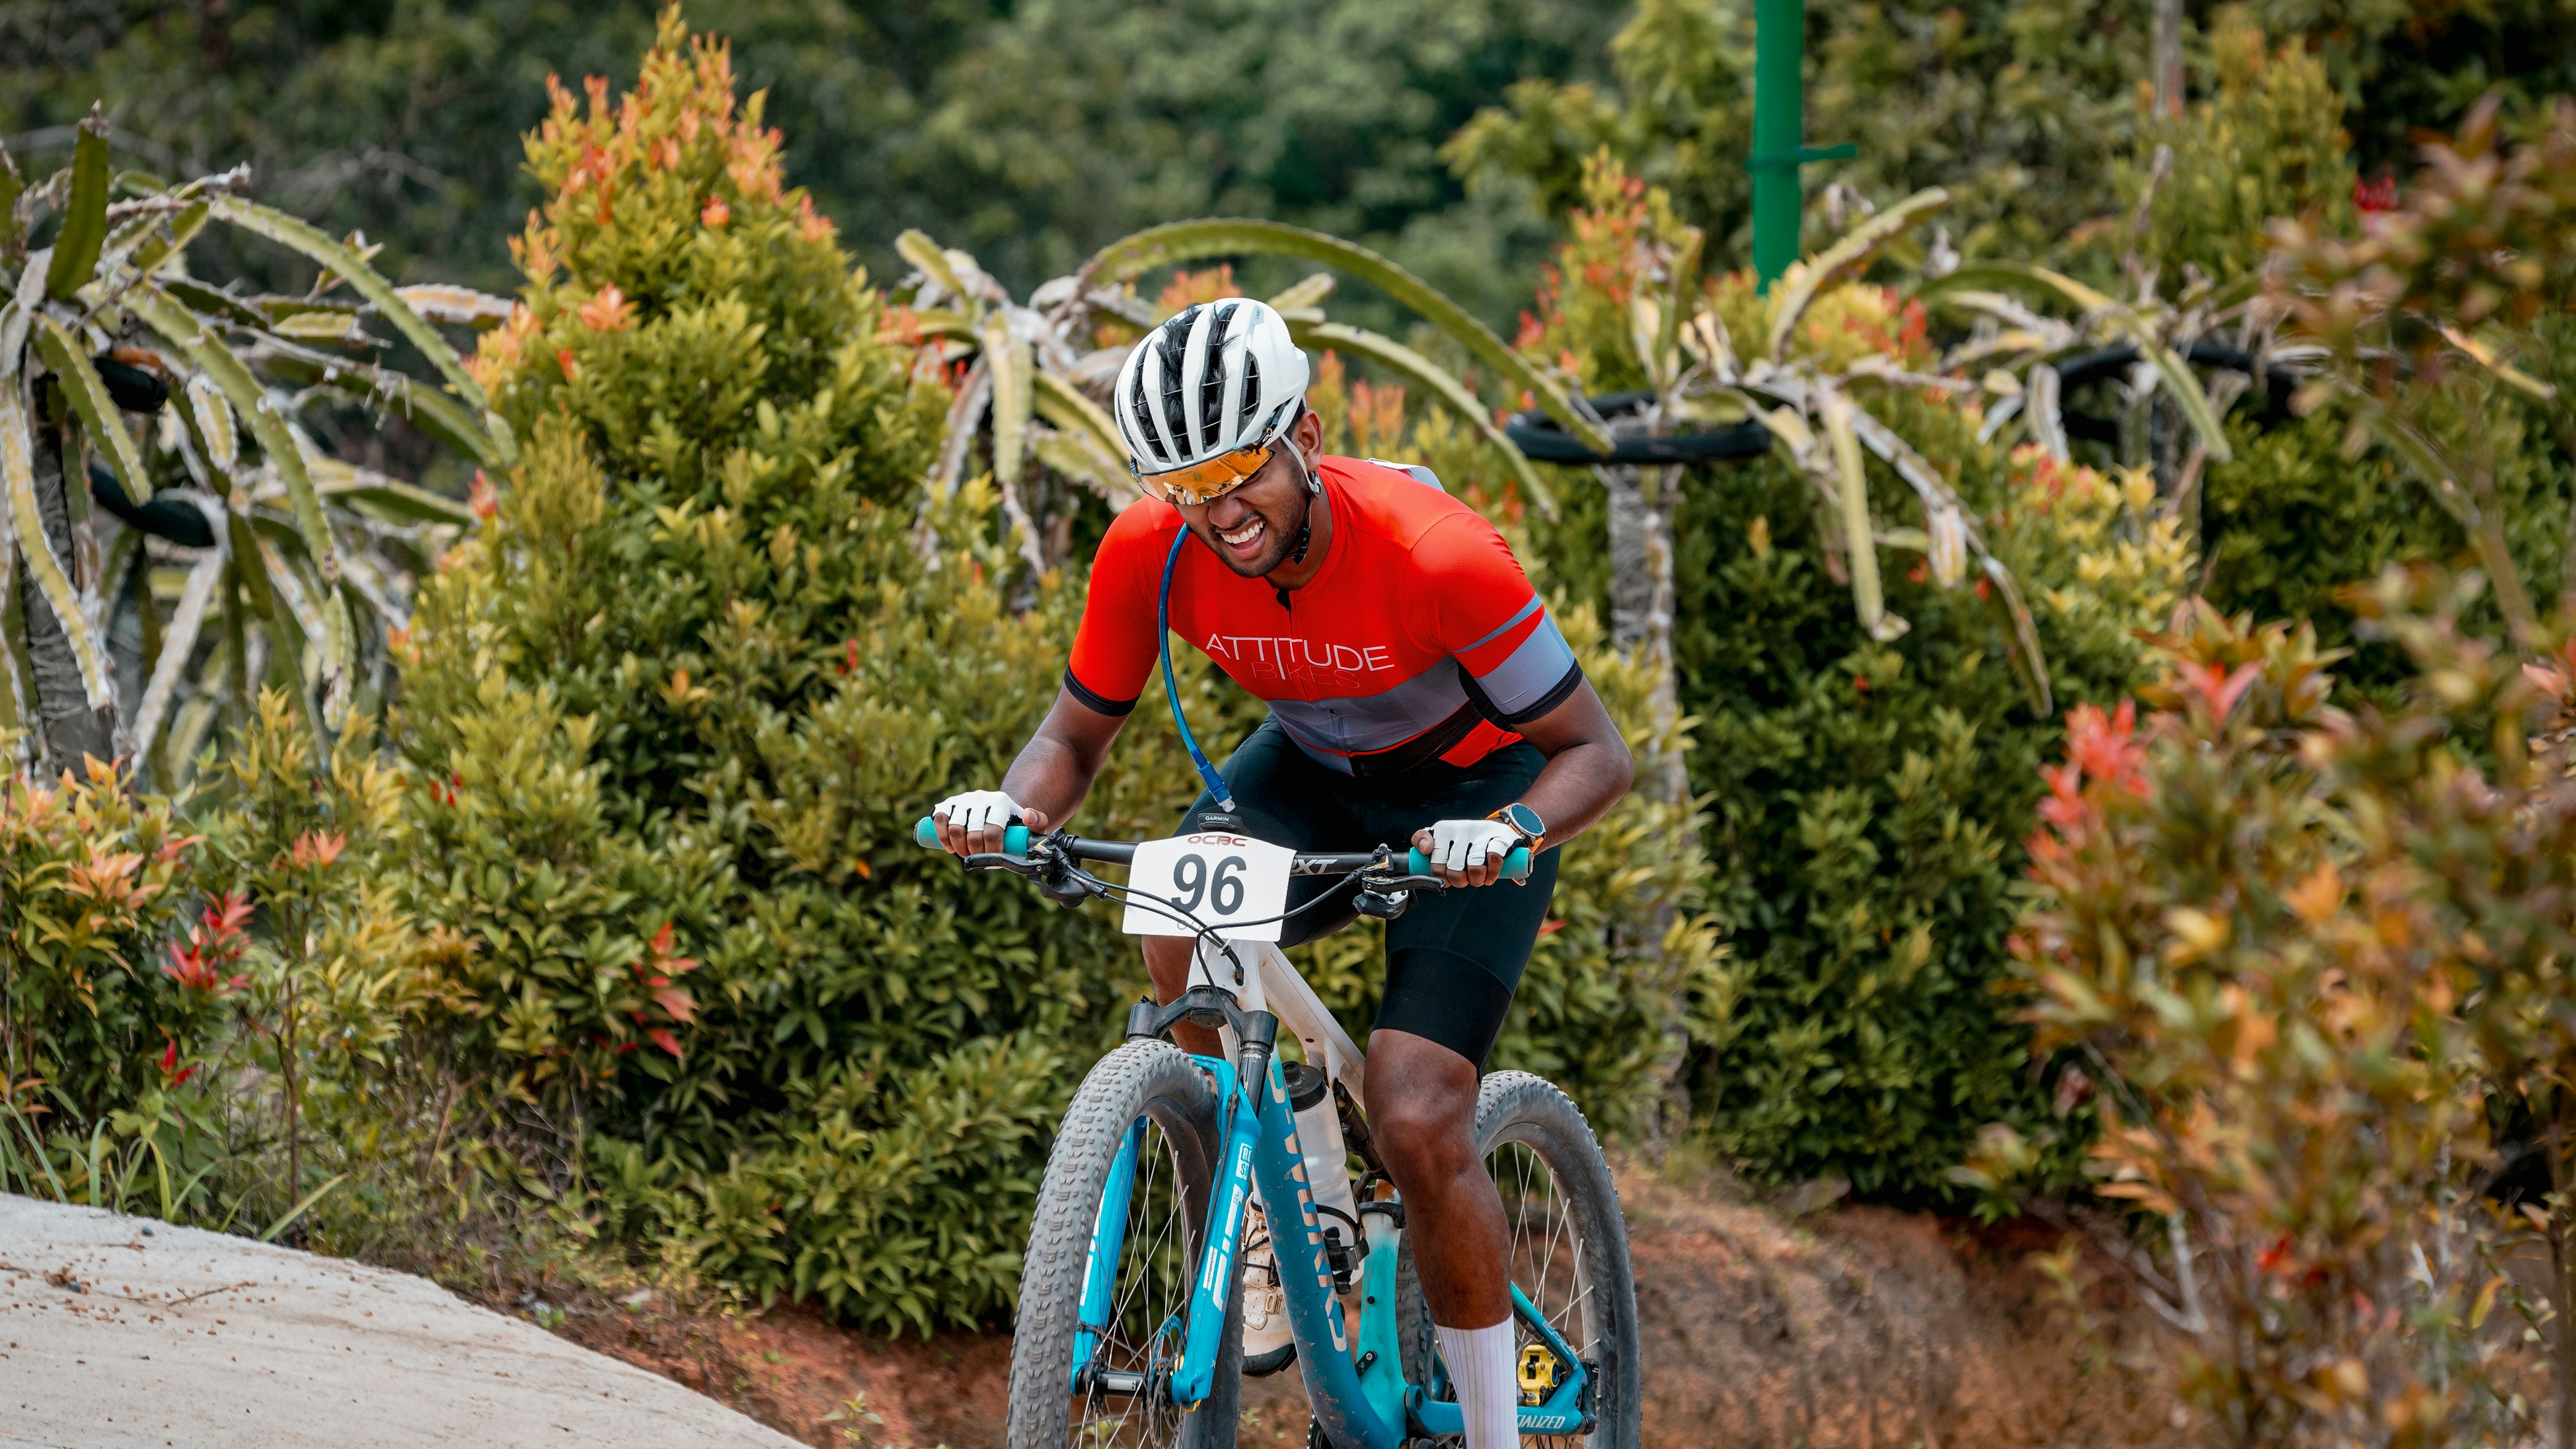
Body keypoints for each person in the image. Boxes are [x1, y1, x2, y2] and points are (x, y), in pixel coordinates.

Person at [930, 297, 1634, 1449]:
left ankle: (1491, 1427)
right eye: (1183, 484)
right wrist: (1010, 811)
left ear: (1304, 439)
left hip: (1477, 787)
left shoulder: (1435, 551)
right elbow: (1071, 739)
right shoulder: (1148, 550)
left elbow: (1597, 756)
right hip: (1314, 765)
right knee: (1174, 894)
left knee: (1414, 1108)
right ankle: (1270, 1202)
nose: (1218, 512)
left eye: (1241, 469)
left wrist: (1509, 831)